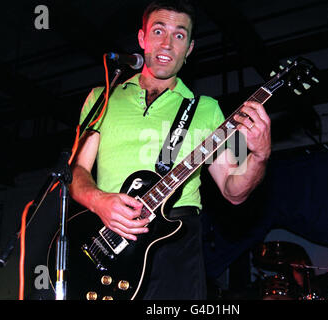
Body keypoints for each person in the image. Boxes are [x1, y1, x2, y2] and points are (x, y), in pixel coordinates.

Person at [69, 0, 271, 300]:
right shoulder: (103, 96)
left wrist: (259, 155)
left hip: (176, 244)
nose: (167, 43)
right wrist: (99, 202)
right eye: (159, 31)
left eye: (179, 35)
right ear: (142, 38)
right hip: (105, 238)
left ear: (189, 48)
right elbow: (76, 171)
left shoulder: (208, 109)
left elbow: (233, 190)